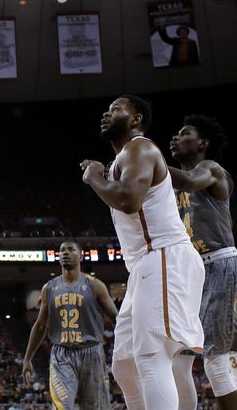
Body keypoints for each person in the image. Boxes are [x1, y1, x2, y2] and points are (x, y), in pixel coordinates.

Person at [80, 95, 204, 409]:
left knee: (152, 357)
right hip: (145, 267)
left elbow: (128, 200)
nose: (107, 114)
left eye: (116, 109)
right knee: (123, 365)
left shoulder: (139, 147)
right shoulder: (123, 157)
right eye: (106, 110)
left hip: (163, 255)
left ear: (135, 119)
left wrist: (93, 176)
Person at [169, 115, 237, 409]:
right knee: (177, 361)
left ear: (202, 143)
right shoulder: (172, 187)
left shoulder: (210, 170)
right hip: (193, 273)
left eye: (185, 133)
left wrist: (146, 162)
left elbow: (191, 180)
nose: (176, 137)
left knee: (216, 363)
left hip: (221, 266)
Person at [22, 241, 116, 409]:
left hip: (92, 352)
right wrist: (28, 358)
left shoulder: (95, 285)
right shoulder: (49, 288)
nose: (65, 252)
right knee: (61, 406)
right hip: (61, 353)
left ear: (79, 255)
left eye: (71, 249)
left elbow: (117, 319)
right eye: (62, 250)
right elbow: (40, 325)